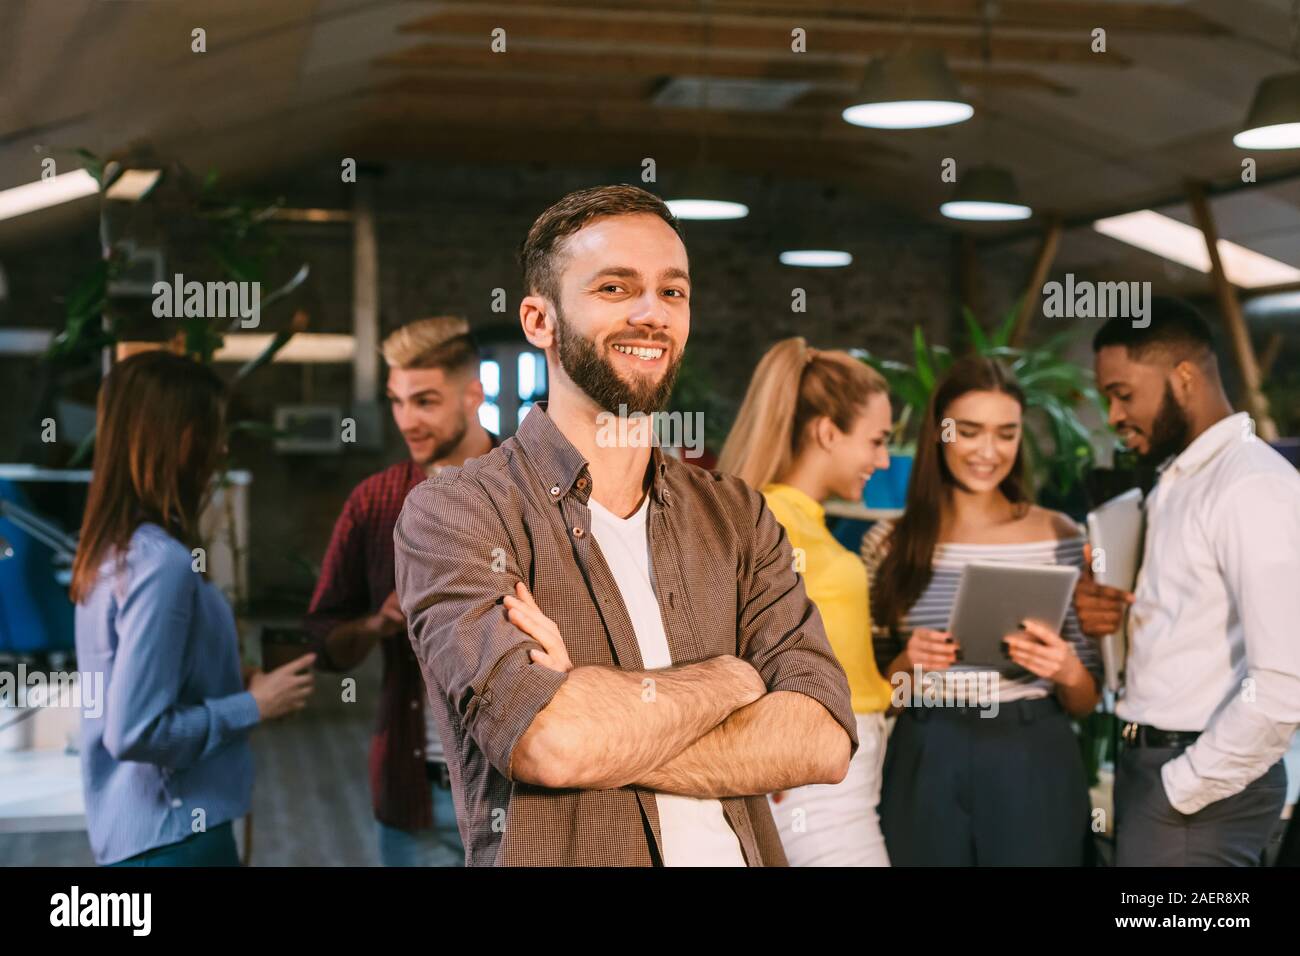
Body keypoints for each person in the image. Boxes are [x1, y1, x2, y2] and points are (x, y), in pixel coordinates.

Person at [394, 184, 856, 866]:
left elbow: (821, 738)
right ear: (538, 320)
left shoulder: (736, 515)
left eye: (673, 292)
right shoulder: (458, 512)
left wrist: (593, 713)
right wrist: (733, 679)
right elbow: (548, 743)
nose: (652, 314)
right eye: (615, 288)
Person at [1075, 297, 1300, 866]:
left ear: (1184, 377)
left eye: (1123, 394)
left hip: (1196, 786)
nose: (1114, 415)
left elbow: (1285, 684)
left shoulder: (1252, 486)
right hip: (1155, 768)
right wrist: (1109, 618)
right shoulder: (1178, 480)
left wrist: (1183, 787)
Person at [72, 350, 314, 867]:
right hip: (175, 839)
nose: (222, 448)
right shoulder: (162, 563)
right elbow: (136, 730)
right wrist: (255, 705)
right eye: (212, 432)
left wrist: (230, 675)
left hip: (138, 836)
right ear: (178, 439)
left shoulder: (111, 550)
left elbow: (131, 682)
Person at [861, 356, 1102, 866]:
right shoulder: (888, 544)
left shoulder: (1061, 535)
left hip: (1034, 744)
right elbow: (876, 694)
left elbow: (1085, 698)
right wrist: (909, 662)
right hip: (925, 748)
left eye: (1007, 434)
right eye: (969, 432)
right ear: (939, 434)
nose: (989, 452)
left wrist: (1065, 669)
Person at [304, 316, 496, 867]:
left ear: (473, 395)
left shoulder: (529, 490)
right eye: (397, 401)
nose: (407, 420)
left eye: (426, 401)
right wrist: (374, 625)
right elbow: (322, 640)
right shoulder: (375, 503)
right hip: (413, 796)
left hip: (516, 796)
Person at [717, 338, 894, 866]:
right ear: (827, 433)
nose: (883, 460)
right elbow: (729, 644)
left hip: (844, 774)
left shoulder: (804, 522)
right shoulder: (774, 522)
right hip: (816, 784)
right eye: (876, 441)